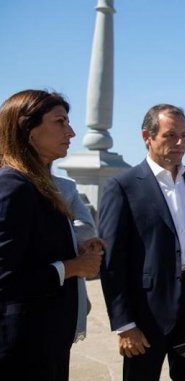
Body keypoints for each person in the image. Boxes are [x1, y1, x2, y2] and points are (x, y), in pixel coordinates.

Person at [98, 104, 185, 381]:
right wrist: (124, 324)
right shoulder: (122, 186)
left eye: (184, 136)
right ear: (147, 136)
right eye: (170, 135)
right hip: (146, 310)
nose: (180, 143)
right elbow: (112, 261)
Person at [0, 89, 103, 380]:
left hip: (46, 343)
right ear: (27, 128)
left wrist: (78, 248)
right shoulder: (13, 186)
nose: (70, 132)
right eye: (60, 122)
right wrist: (71, 268)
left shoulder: (39, 186)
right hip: (22, 351)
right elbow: (4, 279)